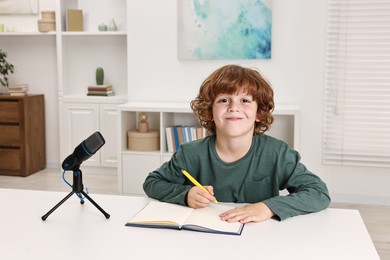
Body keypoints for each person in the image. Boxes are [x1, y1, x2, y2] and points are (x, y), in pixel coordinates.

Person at [143, 64, 330, 223]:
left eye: (245, 100)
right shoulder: (190, 154)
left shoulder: (278, 154)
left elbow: (318, 193)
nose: (234, 107)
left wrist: (268, 207)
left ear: (259, 113)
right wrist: (185, 195)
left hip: (261, 239)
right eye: (224, 100)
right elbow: (152, 183)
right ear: (209, 112)